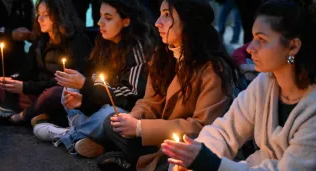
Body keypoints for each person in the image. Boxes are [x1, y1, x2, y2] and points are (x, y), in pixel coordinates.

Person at [161, 0, 316, 170]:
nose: (250, 48)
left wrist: (210, 162)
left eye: (262, 40)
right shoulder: (265, 83)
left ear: (293, 46)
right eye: (252, 38)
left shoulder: (313, 108)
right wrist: (193, 153)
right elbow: (226, 131)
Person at [97, 0, 239, 170]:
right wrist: (132, 119)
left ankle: (133, 161)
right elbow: (149, 102)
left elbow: (201, 127)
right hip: (158, 140)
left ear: (188, 22)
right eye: (159, 14)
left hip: (187, 145)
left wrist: (141, 128)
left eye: (166, 15)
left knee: (183, 160)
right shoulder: (163, 55)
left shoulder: (214, 68)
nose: (157, 23)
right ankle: (137, 160)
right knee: (110, 122)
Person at [33, 0, 157, 158]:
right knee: (70, 88)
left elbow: (129, 96)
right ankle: (91, 141)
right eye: (99, 17)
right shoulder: (103, 43)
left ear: (126, 21)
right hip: (98, 105)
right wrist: (83, 100)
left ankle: (67, 134)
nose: (99, 23)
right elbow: (96, 81)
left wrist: (85, 85)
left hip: (123, 110)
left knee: (110, 115)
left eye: (108, 18)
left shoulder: (137, 48)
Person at [0, 0, 92, 126]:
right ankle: (40, 113)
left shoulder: (78, 42)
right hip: (38, 93)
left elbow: (66, 81)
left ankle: (20, 116)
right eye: (38, 15)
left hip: (61, 95)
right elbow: (27, 71)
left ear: (59, 15)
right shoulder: (41, 40)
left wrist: (25, 86)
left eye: (45, 15)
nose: (40, 19)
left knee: (55, 93)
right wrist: (13, 81)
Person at [0, 0, 33, 81]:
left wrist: (32, 34)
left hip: (17, 60)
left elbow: (30, 26)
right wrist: (9, 34)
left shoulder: (25, 3)